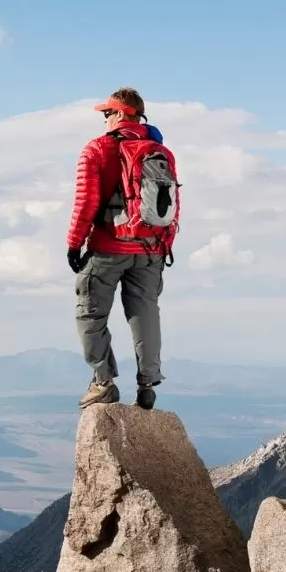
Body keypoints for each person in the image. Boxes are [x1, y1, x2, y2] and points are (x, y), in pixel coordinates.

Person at [66, 87, 178, 410]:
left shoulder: (97, 150)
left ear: (118, 115)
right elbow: (173, 208)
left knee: (90, 312)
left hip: (108, 248)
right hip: (150, 250)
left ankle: (103, 382)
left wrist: (75, 244)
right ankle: (147, 386)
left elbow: (86, 202)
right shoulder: (161, 153)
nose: (104, 120)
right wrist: (163, 245)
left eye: (106, 114)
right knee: (145, 313)